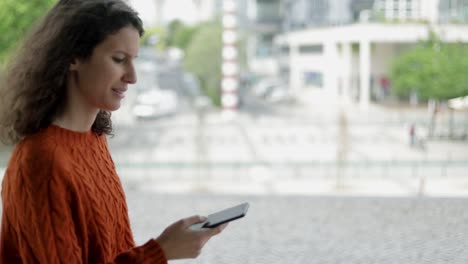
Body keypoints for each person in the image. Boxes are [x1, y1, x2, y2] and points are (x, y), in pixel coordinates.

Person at [0, 0, 226, 263]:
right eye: (119, 60)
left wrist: (168, 247)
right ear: (73, 57)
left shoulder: (94, 140)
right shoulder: (42, 160)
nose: (132, 76)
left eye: (133, 61)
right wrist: (160, 252)